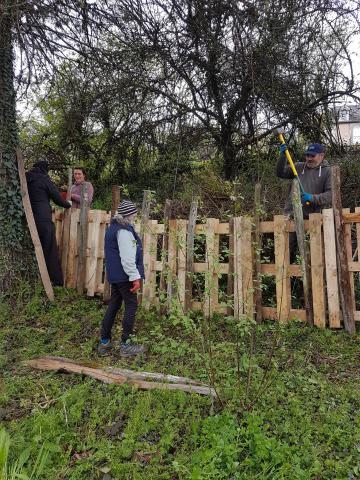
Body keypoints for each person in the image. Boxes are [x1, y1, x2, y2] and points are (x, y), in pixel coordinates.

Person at [98, 200, 145, 357]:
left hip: (115, 275)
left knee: (114, 305)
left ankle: (104, 342)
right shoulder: (124, 231)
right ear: (129, 215)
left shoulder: (113, 228)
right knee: (131, 306)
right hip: (125, 276)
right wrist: (135, 277)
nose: (135, 216)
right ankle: (126, 345)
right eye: (134, 214)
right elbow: (127, 258)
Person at [277, 143, 332, 262]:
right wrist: (282, 157)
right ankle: (290, 280)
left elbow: (330, 195)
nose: (309, 159)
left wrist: (312, 197)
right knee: (288, 251)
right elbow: (280, 173)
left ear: (321, 156)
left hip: (313, 218)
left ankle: (311, 280)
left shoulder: (328, 172)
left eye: (312, 156)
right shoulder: (298, 167)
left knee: (313, 253)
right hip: (292, 215)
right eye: (307, 155)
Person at [26, 160, 72, 286]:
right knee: (50, 249)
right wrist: (68, 204)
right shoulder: (44, 180)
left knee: (32, 249)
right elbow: (57, 198)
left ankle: (35, 277)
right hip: (43, 220)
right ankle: (56, 280)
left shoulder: (26, 178)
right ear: (45, 169)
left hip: (29, 219)